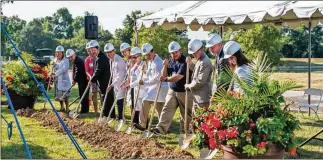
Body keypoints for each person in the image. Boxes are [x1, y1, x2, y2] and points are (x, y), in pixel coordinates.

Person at [151, 41, 194, 135]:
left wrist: (166, 79)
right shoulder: (170, 61)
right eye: (172, 53)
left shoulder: (185, 61)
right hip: (173, 91)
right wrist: (165, 66)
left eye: (176, 52)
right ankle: (161, 129)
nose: (174, 54)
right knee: (166, 109)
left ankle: (186, 132)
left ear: (180, 51)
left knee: (185, 114)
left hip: (184, 92)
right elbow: (163, 75)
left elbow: (178, 76)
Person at [135, 43, 169, 131]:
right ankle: (163, 126)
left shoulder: (158, 62)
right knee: (158, 107)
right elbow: (150, 76)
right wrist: (145, 73)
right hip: (154, 86)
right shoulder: (149, 62)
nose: (147, 57)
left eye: (148, 55)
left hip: (160, 87)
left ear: (153, 51)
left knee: (146, 101)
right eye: (146, 55)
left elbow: (157, 78)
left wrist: (145, 82)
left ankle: (144, 124)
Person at [87, 40, 114, 123]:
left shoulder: (101, 58)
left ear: (97, 48)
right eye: (90, 50)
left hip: (106, 82)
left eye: (93, 49)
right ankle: (109, 116)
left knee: (106, 99)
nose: (92, 52)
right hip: (103, 82)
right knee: (107, 99)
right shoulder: (99, 57)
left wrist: (92, 80)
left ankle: (106, 116)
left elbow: (98, 71)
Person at [121, 47, 147, 125]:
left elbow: (140, 79)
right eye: (133, 57)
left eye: (136, 57)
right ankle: (135, 122)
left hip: (141, 89)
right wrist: (125, 82)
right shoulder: (134, 66)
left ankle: (143, 124)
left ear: (140, 56)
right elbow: (131, 77)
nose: (134, 59)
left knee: (141, 108)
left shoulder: (144, 65)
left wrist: (130, 85)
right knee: (135, 106)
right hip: (134, 89)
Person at [185, 39, 213, 108]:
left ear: (201, 49)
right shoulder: (200, 59)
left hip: (203, 100)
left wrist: (188, 86)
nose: (193, 55)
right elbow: (198, 71)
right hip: (198, 98)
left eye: (195, 52)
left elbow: (200, 81)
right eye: (192, 53)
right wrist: (190, 64)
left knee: (201, 118)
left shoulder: (205, 61)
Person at [104, 43, 127, 125]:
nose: (109, 54)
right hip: (115, 84)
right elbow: (113, 73)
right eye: (107, 53)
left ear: (113, 51)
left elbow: (119, 77)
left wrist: (111, 85)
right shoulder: (111, 60)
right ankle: (120, 117)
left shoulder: (119, 61)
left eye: (110, 52)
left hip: (121, 84)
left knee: (120, 101)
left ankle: (121, 118)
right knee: (118, 101)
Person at [66, 49, 89, 114]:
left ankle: (84, 110)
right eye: (69, 57)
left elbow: (77, 72)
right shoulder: (76, 60)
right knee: (83, 95)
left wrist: (74, 80)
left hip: (83, 80)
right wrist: (75, 80)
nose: (70, 58)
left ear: (74, 54)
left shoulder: (77, 61)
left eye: (71, 57)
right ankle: (85, 110)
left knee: (83, 95)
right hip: (81, 80)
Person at [52, 45, 71, 113]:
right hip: (57, 80)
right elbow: (53, 68)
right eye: (57, 52)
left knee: (65, 95)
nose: (58, 54)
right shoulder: (54, 60)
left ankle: (67, 108)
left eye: (60, 52)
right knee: (59, 96)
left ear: (62, 53)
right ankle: (62, 107)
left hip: (64, 80)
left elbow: (64, 69)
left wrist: (56, 73)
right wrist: (52, 71)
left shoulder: (66, 60)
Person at [84, 42, 99, 113]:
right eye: (88, 51)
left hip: (99, 80)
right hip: (92, 80)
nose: (89, 52)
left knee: (102, 95)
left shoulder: (97, 58)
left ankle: (104, 111)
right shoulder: (87, 60)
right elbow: (87, 71)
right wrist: (90, 77)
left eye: (90, 50)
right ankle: (96, 111)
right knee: (94, 96)